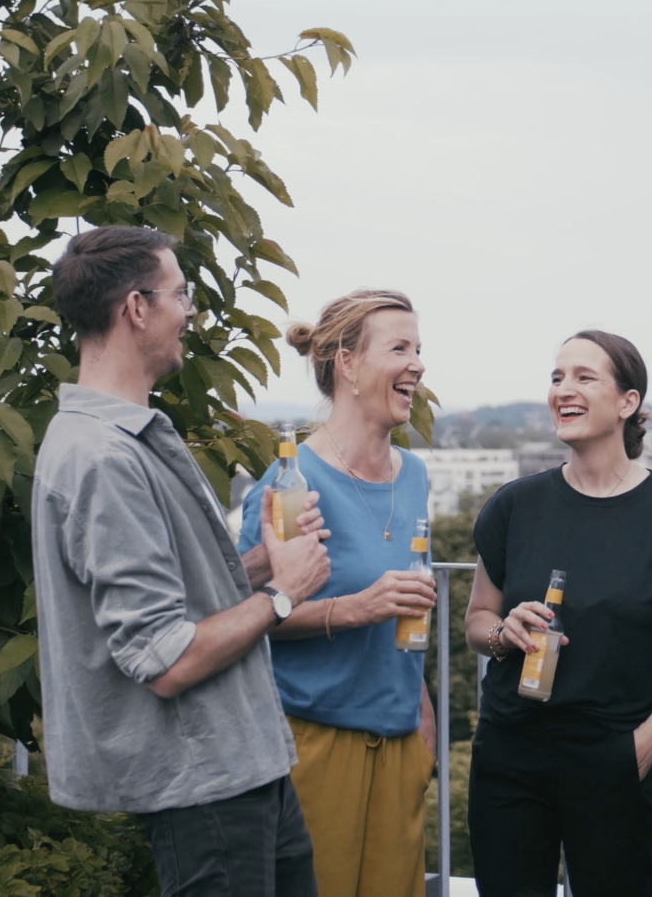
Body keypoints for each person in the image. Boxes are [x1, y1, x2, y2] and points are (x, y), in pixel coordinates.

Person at [32, 226, 333, 897]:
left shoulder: (123, 437)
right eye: (180, 293)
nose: (190, 309)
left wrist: (256, 565)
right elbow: (164, 658)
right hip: (205, 783)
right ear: (136, 308)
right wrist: (283, 593)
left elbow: (171, 591)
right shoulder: (101, 458)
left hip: (243, 767)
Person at [464, 331, 652, 897]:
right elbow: (478, 619)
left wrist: (649, 741)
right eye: (557, 377)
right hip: (510, 753)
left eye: (584, 376)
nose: (564, 389)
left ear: (628, 403)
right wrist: (504, 633)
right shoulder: (515, 505)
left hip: (615, 755)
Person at [237, 290, 439, 897]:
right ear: (347, 365)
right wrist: (356, 609)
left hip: (401, 748)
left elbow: (409, 616)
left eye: (420, 349)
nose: (419, 365)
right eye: (399, 348)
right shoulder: (292, 481)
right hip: (313, 747)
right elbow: (252, 616)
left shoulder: (417, 474)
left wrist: (425, 726)